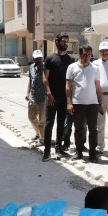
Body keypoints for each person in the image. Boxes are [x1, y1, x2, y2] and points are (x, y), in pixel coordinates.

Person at [65, 45, 104, 162]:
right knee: (78, 129)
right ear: (79, 54)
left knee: (93, 129)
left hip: (92, 104)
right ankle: (79, 152)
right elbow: (68, 87)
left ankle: (92, 153)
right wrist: (69, 103)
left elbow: (98, 87)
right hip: (77, 103)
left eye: (89, 54)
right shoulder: (72, 67)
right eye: (84, 54)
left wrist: (100, 104)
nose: (87, 56)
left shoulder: (95, 68)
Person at [42, 33, 75, 161]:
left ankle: (59, 148)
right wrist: (49, 93)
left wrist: (69, 99)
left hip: (64, 98)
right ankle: (46, 151)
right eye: (63, 41)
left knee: (62, 123)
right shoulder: (50, 59)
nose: (65, 43)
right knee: (49, 123)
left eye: (67, 41)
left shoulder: (71, 60)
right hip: (52, 97)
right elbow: (45, 78)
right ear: (56, 42)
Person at [92, 41, 108, 157]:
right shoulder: (95, 64)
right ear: (99, 52)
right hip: (99, 97)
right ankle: (100, 147)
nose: (104, 52)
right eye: (102, 51)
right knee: (99, 125)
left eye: (106, 50)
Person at [26, 50, 47, 146]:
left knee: (42, 121)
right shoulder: (31, 67)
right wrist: (27, 92)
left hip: (42, 97)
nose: (39, 60)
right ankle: (38, 133)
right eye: (37, 58)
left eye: (40, 58)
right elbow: (30, 80)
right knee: (31, 117)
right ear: (33, 58)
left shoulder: (45, 68)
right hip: (33, 96)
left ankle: (42, 139)